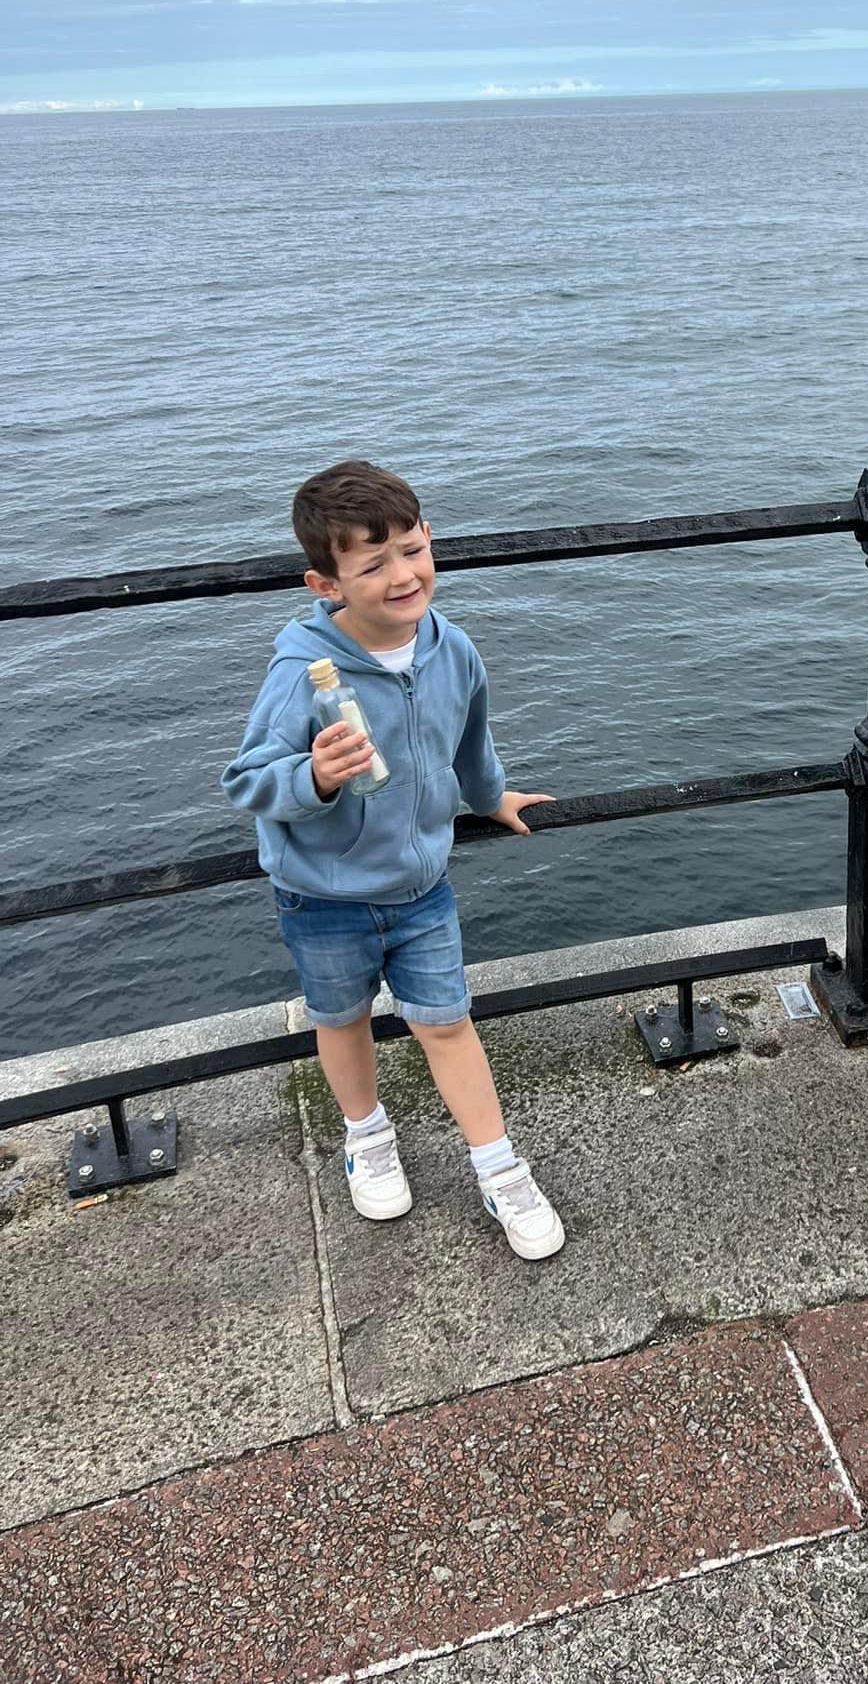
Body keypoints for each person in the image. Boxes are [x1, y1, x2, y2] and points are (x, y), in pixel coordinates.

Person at [222, 459, 564, 1260]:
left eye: (410, 549)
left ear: (429, 539)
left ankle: (499, 1166)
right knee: (340, 1021)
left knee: (448, 1022)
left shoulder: (453, 649)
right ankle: (366, 1135)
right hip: (323, 894)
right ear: (325, 583)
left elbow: (470, 739)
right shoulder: (303, 672)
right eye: (371, 565)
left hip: (422, 886)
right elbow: (247, 779)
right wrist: (312, 777)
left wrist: (491, 798)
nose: (402, 575)